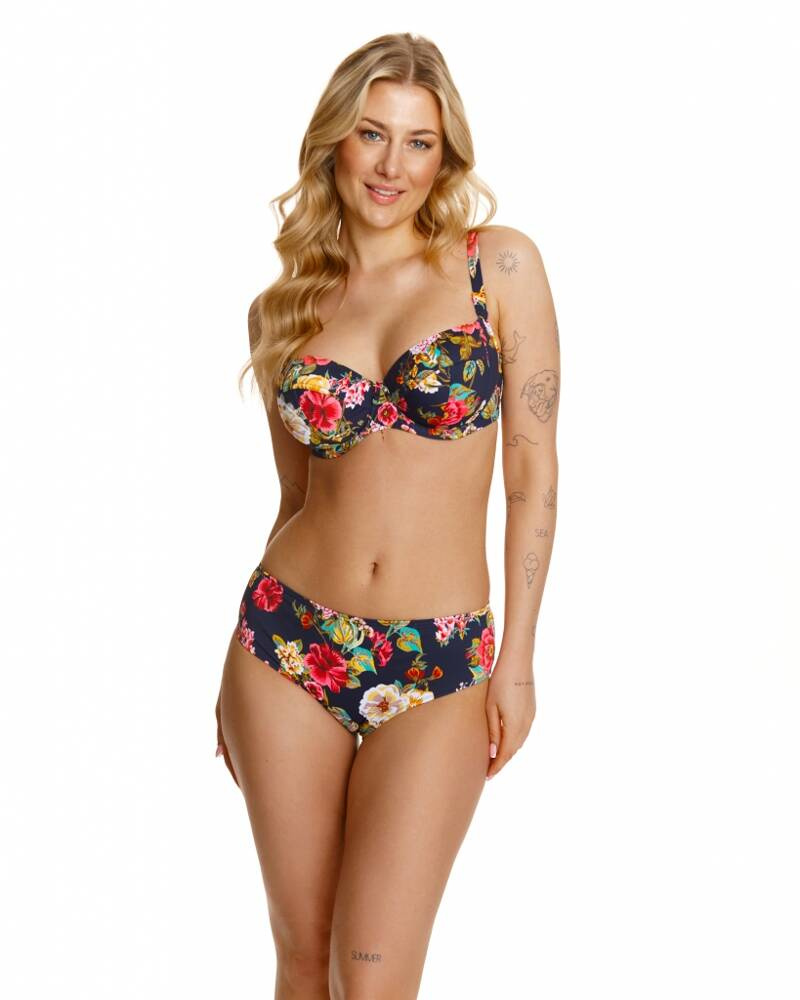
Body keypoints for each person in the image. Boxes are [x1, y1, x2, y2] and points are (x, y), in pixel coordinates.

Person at [214, 31, 559, 1000]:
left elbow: (532, 468)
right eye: (372, 134)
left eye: (419, 142)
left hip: (438, 660)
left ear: (446, 156)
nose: (391, 165)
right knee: (301, 958)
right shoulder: (284, 310)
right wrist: (236, 681)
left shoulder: (497, 269)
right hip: (286, 647)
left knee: (369, 979)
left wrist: (517, 659)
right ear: (335, 139)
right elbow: (297, 498)